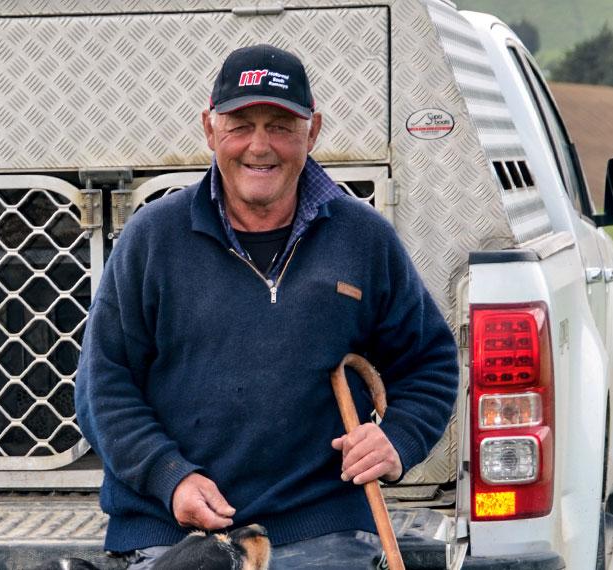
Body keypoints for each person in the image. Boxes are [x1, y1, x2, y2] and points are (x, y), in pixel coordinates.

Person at [74, 44, 459, 569]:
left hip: (323, 526)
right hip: (175, 529)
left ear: (313, 132)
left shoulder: (362, 237)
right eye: (240, 125)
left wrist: (398, 439)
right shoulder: (153, 237)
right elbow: (103, 386)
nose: (259, 146)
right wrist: (171, 478)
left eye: (280, 125)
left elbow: (429, 363)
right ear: (211, 130)